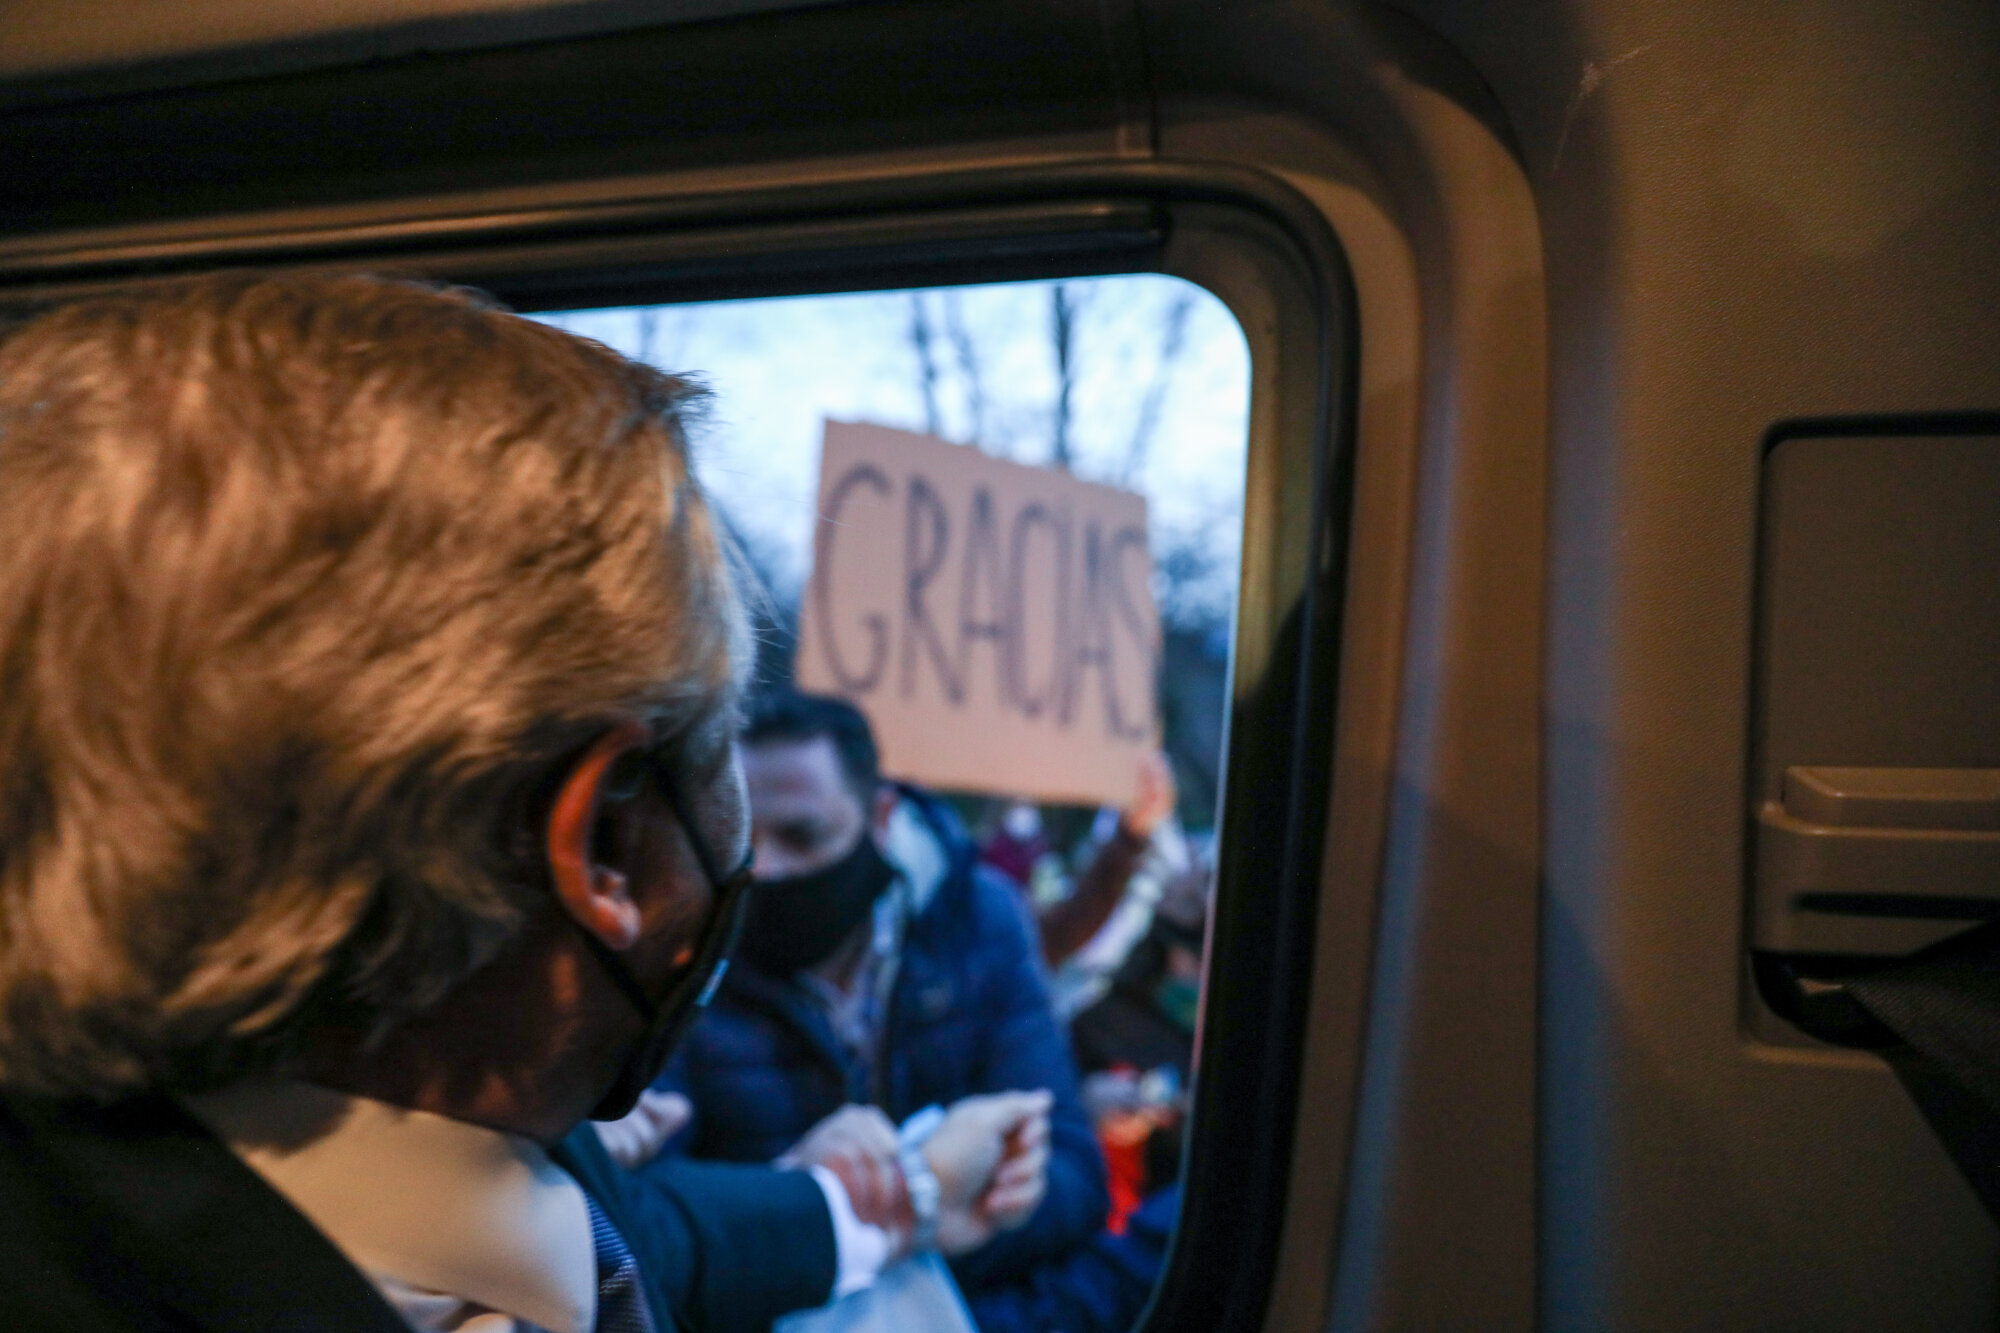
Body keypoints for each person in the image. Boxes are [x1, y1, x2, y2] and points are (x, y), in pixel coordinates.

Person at [0, 273, 1045, 1333]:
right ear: (602, 843)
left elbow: (648, 1229)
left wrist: (891, 1203)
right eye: (724, 737)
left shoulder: (482, 1127)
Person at [644, 688, 1109, 1310]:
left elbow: (1075, 1177)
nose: (767, 870)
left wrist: (992, 1203)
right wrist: (797, 1195)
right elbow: (639, 1221)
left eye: (803, 836)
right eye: (742, 840)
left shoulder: (979, 920)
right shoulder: (683, 950)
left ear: (881, 818)